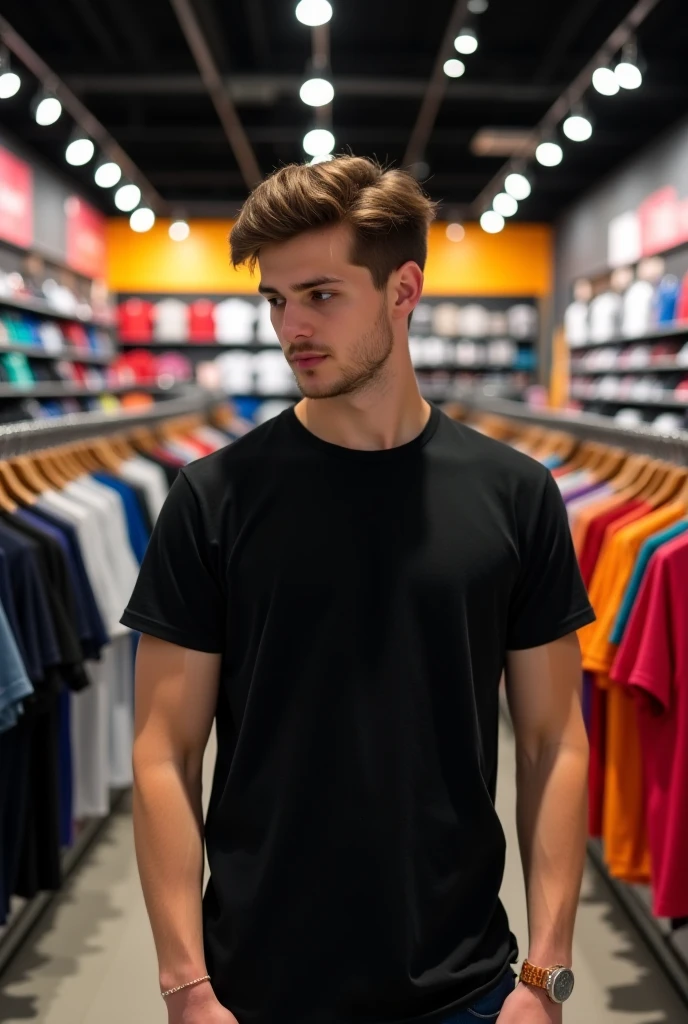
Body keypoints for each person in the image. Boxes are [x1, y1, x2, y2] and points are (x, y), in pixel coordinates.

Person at [122, 155, 594, 1024]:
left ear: (403, 290)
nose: (291, 326)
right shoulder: (214, 498)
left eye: (322, 295)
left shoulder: (515, 494)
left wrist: (547, 973)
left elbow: (553, 740)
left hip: (467, 984)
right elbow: (163, 752)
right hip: (255, 986)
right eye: (276, 300)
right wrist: (185, 985)